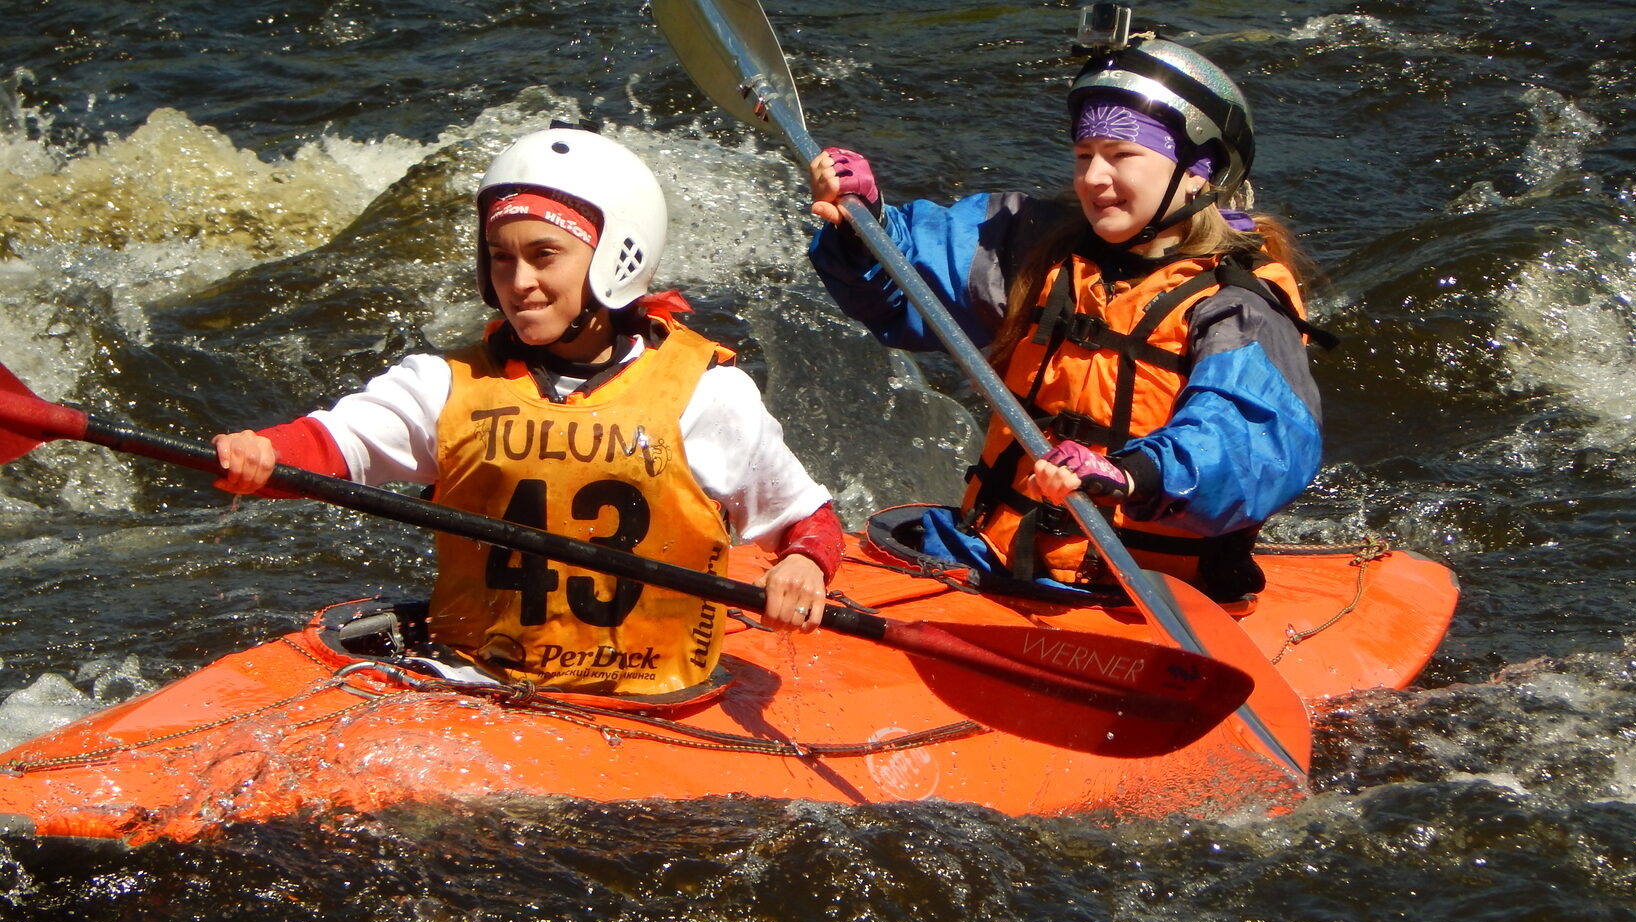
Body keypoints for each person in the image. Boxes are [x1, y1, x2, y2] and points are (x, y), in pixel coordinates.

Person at [215, 123, 842, 695]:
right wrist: (264, 455)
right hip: (474, 681)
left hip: (660, 690)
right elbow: (331, 447)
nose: (519, 282)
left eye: (545, 255)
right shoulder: (444, 385)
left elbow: (805, 518)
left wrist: (802, 564)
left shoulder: (707, 393)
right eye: (501, 257)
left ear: (615, 258)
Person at [806, 33, 1328, 603]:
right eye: (1085, 156)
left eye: (1122, 155)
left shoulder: (1239, 304)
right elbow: (905, 277)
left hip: (1140, 592)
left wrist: (1129, 475)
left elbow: (1252, 441)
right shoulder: (1036, 246)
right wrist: (863, 223)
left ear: (1201, 169)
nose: (1094, 178)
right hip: (989, 556)